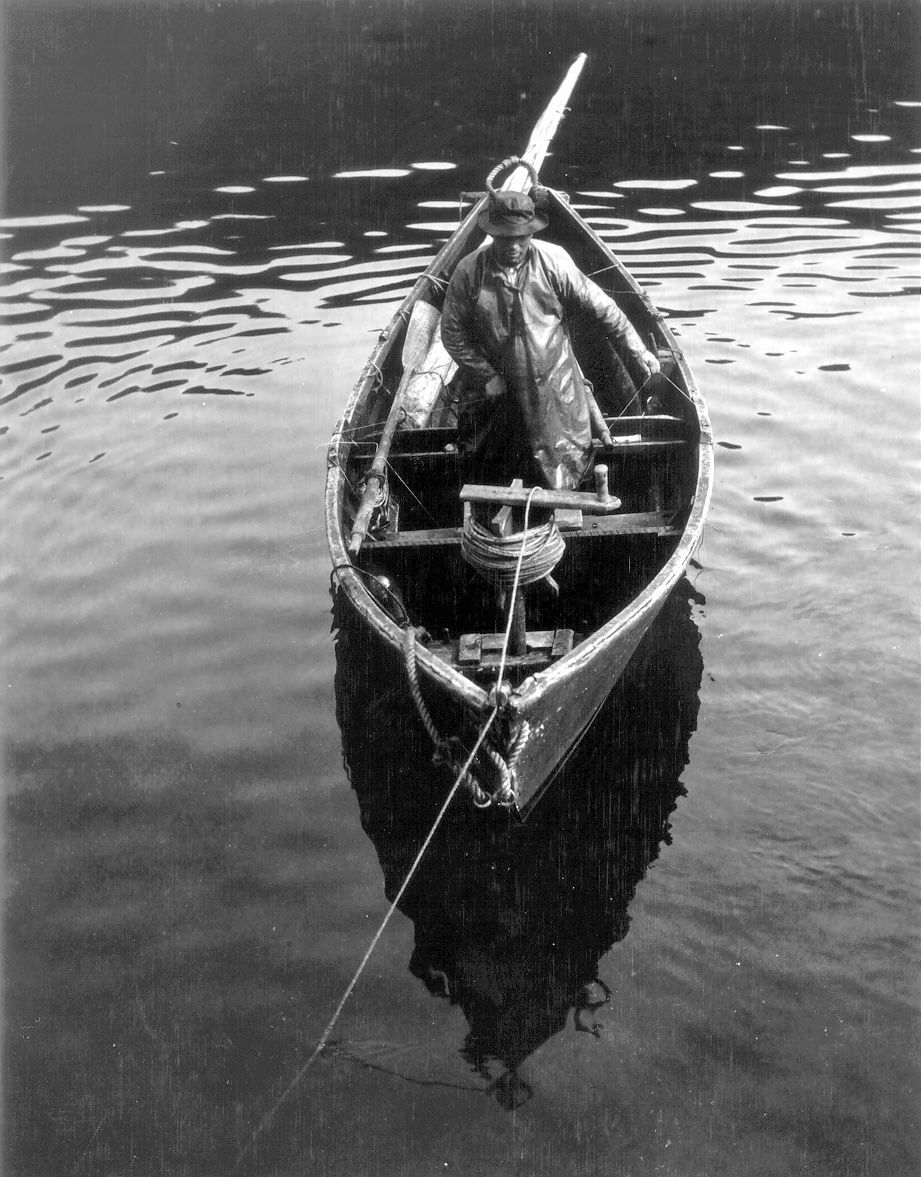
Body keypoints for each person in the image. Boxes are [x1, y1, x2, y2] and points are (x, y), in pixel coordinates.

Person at [441, 188, 661, 490]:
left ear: (531, 234)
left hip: (555, 386)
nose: (514, 246)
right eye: (505, 238)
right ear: (493, 235)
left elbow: (604, 309)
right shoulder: (468, 271)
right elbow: (452, 333)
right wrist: (486, 374)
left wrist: (639, 352)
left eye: (521, 238)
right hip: (496, 389)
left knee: (566, 462)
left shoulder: (553, 261)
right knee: (492, 466)